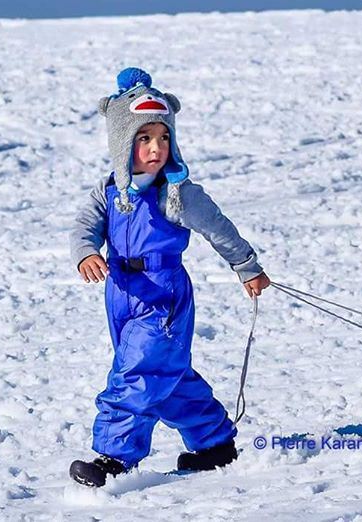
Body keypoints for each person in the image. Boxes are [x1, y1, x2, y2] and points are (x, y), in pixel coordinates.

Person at [68, 67, 270, 487]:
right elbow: (85, 226)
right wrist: (87, 252)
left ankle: (112, 456)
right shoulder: (109, 190)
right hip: (121, 292)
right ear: (123, 142)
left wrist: (246, 266)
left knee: (139, 370)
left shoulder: (176, 192)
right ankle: (214, 443)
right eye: (144, 138)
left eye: (163, 137)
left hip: (163, 294)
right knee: (168, 375)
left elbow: (219, 227)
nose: (156, 147)